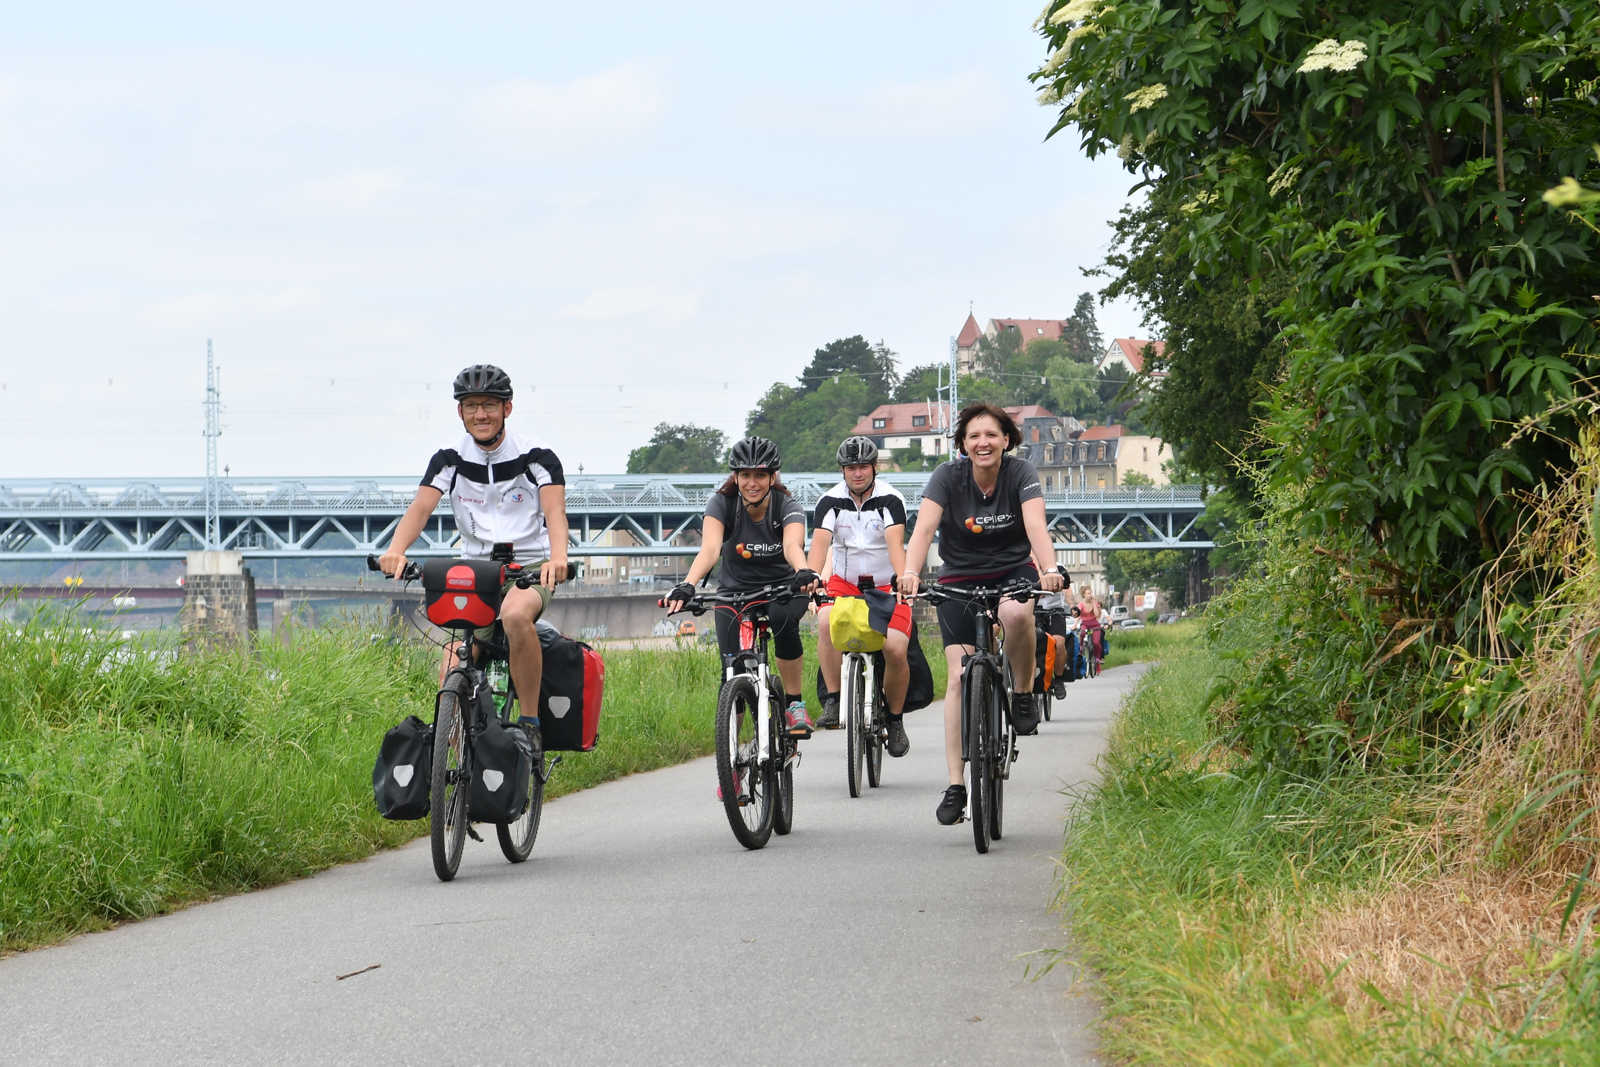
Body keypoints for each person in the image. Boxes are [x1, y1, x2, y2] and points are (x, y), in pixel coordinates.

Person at [379, 364, 570, 756]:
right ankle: (450, 764)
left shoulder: (537, 456)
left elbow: (555, 512)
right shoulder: (448, 460)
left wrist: (558, 558)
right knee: (453, 662)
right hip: (475, 573)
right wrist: (396, 550)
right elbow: (420, 508)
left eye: (489, 405)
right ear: (460, 412)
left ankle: (530, 724)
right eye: (470, 406)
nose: (480, 414)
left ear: (507, 409)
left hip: (528, 570)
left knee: (516, 616)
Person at [897, 402, 1065, 826]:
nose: (983, 442)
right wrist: (911, 573)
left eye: (991, 434)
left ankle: (1023, 692)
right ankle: (957, 784)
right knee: (957, 678)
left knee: (1015, 617)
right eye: (973, 436)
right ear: (962, 445)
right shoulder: (946, 478)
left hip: (1013, 570)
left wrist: (1048, 569)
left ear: (1006, 439)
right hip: (959, 576)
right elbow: (922, 532)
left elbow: (1036, 527)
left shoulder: (1021, 473)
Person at [663, 436, 819, 736]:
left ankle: (795, 705)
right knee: (730, 670)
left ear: (772, 477)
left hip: (783, 588)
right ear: (735, 476)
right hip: (735, 592)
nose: (752, 482)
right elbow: (709, 549)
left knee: (782, 618)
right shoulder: (721, 503)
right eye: (745, 475)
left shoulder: (787, 506)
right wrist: (687, 586)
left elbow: (792, 545)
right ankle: (730, 759)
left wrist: (803, 571)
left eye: (760, 475)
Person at [808, 435, 913, 757]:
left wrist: (904, 579)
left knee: (895, 648)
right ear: (842, 470)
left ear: (874, 468)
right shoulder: (829, 501)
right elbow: (821, 543)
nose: (857, 473)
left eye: (863, 467)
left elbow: (896, 544)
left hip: (885, 584)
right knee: (825, 620)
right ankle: (834, 700)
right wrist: (812, 577)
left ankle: (894, 720)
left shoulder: (891, 500)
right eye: (851, 468)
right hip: (845, 582)